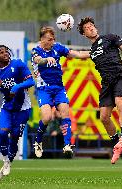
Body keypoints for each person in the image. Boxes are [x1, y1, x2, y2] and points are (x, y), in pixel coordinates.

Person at [77, 17, 122, 164]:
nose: (90, 28)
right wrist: (58, 50)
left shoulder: (110, 37)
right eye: (87, 28)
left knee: (120, 102)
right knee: (103, 117)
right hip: (106, 83)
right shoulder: (91, 51)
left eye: (92, 26)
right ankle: (118, 144)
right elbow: (76, 54)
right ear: (84, 34)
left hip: (119, 76)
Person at [31, 26, 89, 158]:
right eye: (48, 39)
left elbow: (77, 54)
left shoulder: (57, 48)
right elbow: (37, 60)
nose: (51, 42)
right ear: (41, 39)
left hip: (58, 88)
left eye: (53, 39)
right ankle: (38, 141)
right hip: (44, 89)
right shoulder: (36, 50)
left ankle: (67, 145)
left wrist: (94, 53)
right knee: (47, 117)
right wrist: (46, 60)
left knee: (65, 113)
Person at [0, 45, 35, 180]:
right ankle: (6, 161)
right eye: (1, 52)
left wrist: (17, 86)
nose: (5, 53)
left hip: (23, 107)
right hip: (7, 107)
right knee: (3, 131)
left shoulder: (18, 64)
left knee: (15, 137)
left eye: (6, 51)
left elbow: (31, 81)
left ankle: (8, 163)